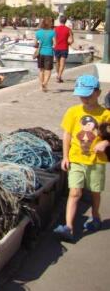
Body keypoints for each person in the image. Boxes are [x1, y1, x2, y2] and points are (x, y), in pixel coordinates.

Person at [54, 75, 110, 241]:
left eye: (88, 95)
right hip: (76, 159)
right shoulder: (73, 112)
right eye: (81, 96)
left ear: (98, 93)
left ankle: (96, 215)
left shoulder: (106, 114)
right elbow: (67, 135)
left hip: (96, 161)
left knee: (95, 192)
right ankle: (68, 227)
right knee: (75, 192)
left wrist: (106, 142)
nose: (84, 99)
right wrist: (65, 156)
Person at [35, 17, 55, 91]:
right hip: (49, 53)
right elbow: (55, 44)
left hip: (40, 53)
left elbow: (35, 43)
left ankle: (41, 85)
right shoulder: (52, 32)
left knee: (41, 70)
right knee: (48, 70)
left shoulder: (38, 32)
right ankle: (45, 83)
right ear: (50, 24)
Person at [54, 15, 74, 83]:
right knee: (62, 63)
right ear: (65, 21)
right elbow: (71, 40)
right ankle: (59, 76)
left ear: (60, 21)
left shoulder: (55, 29)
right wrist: (69, 43)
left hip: (57, 48)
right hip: (64, 48)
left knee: (57, 62)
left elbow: (53, 39)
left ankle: (58, 75)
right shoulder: (68, 30)